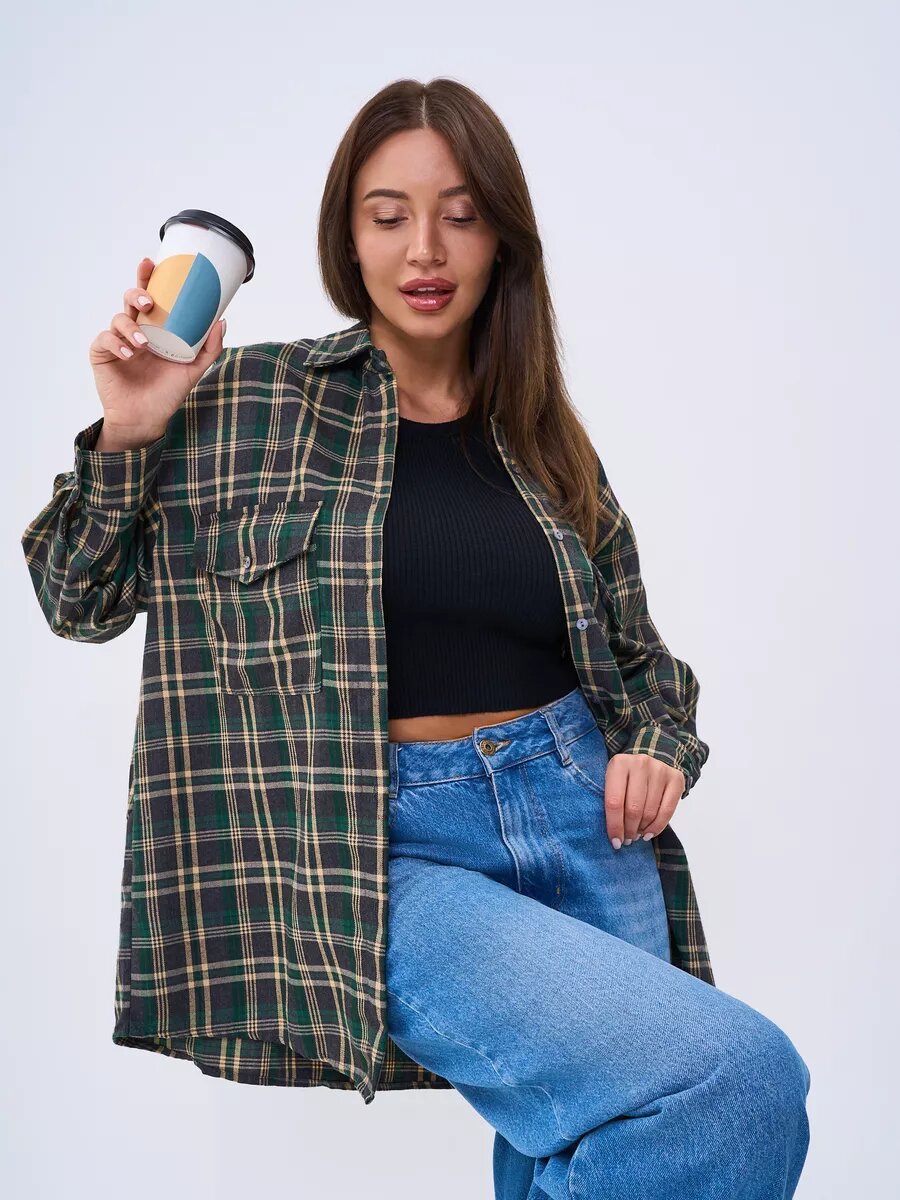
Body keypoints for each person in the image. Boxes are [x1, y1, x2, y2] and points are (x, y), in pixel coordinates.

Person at [21, 77, 810, 1198]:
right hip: (377, 846)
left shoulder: (546, 439)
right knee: (735, 1082)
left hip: (582, 817)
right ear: (348, 237)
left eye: (461, 214)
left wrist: (657, 745)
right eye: (388, 215)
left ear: (501, 238)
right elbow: (77, 597)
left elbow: (640, 662)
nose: (425, 248)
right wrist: (132, 425)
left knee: (602, 1146)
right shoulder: (248, 399)